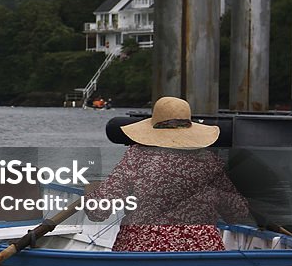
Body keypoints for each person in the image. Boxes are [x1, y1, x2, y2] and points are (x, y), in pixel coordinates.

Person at [84, 96, 252, 252]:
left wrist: (90, 192)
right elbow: (237, 213)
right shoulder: (209, 160)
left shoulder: (137, 156)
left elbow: (98, 212)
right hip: (203, 252)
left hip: (141, 250)